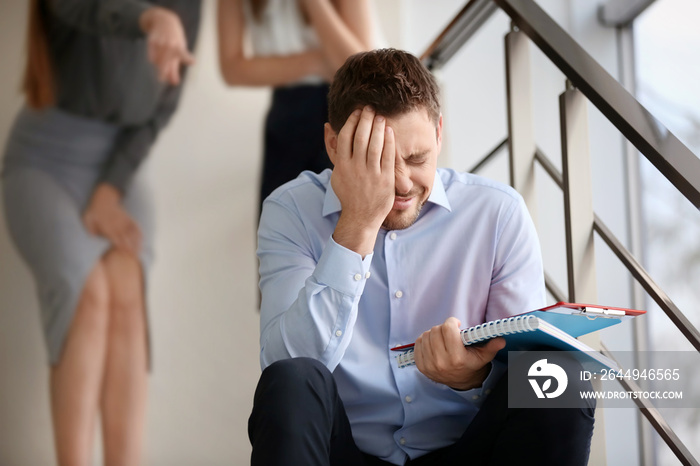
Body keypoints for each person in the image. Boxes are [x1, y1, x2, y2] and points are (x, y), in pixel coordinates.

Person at [249, 48, 596, 465]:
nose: (398, 184)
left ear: (438, 134)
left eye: (416, 160)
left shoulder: (497, 213)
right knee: (291, 380)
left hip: (469, 449)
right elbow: (286, 367)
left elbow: (523, 360)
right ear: (332, 145)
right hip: (348, 453)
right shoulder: (291, 211)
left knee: (559, 372)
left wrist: (474, 377)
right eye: (375, 163)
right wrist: (358, 223)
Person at [1, 1, 200, 464]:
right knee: (86, 290)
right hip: (44, 157)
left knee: (128, 284)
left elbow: (164, 103)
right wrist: (150, 18)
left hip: (118, 166)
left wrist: (110, 190)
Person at [216, 0, 374, 214]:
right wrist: (317, 63)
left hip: (348, 112)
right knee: (281, 222)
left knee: (348, 223)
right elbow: (233, 70)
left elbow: (359, 66)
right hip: (287, 121)